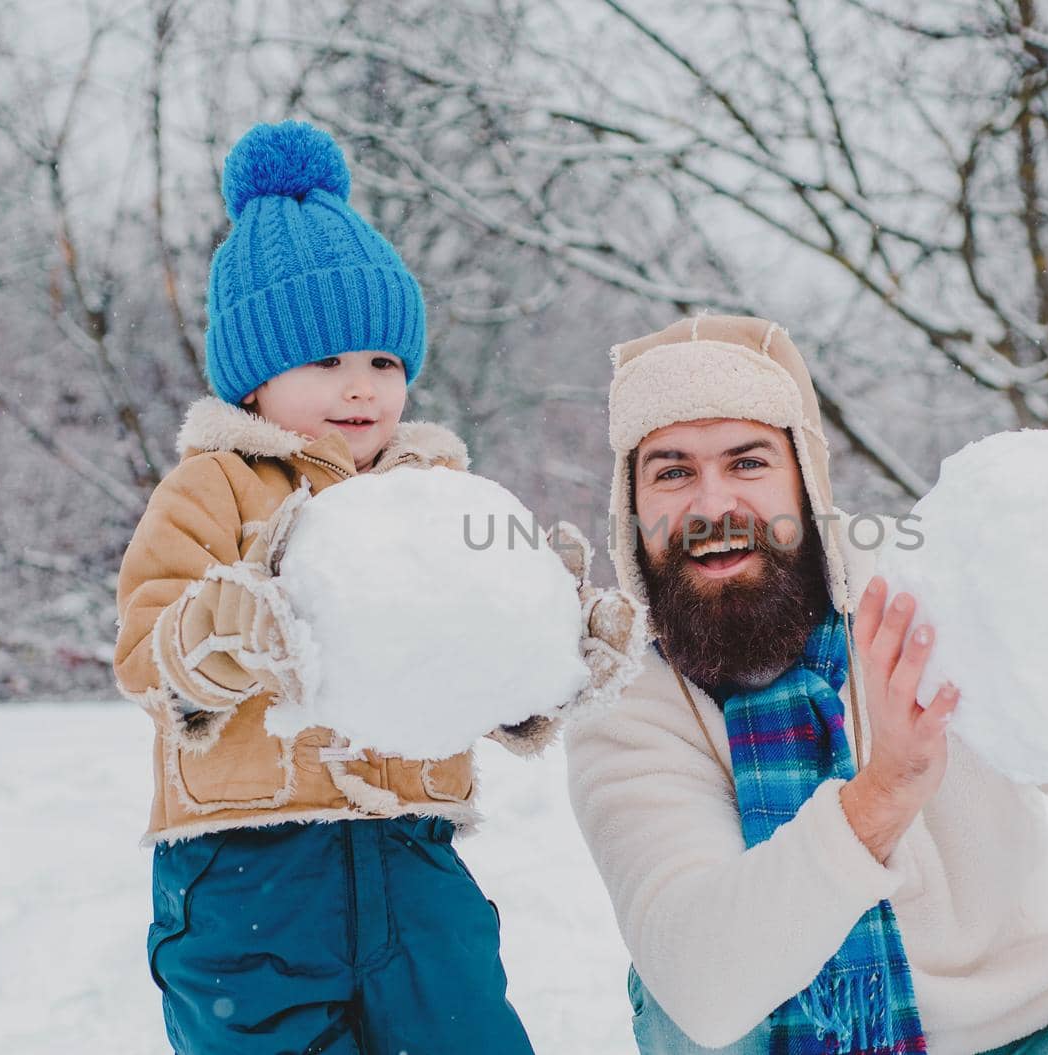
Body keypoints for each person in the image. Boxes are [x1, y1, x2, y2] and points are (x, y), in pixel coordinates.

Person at [566, 314, 1048, 1054]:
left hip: (1037, 1009)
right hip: (770, 1034)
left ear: (805, 484)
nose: (712, 507)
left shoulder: (933, 594)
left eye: (748, 463)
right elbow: (705, 988)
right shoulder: (624, 704)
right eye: (673, 471)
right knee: (690, 990)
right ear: (632, 511)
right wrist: (885, 792)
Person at [114, 120, 640, 1054]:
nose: (360, 387)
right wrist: (218, 636)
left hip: (413, 860)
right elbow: (147, 647)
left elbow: (463, 659)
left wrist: (544, 662)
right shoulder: (214, 487)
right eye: (325, 361)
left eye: (384, 363)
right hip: (251, 874)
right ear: (252, 380)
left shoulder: (433, 497)